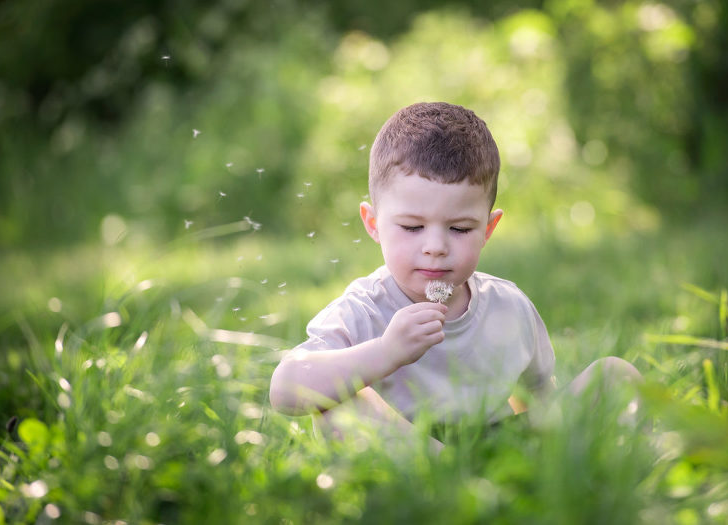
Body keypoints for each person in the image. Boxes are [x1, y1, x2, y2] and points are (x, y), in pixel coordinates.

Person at [269, 102, 640, 450]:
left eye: (460, 229)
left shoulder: (508, 306)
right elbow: (285, 390)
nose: (435, 246)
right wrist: (385, 352)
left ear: (488, 229)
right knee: (337, 401)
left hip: (501, 451)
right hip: (410, 450)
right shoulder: (364, 309)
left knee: (615, 376)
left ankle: (541, 486)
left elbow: (538, 399)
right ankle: (446, 479)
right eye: (412, 227)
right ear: (373, 223)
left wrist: (540, 443)